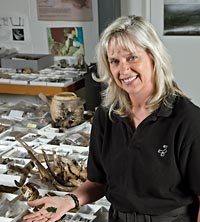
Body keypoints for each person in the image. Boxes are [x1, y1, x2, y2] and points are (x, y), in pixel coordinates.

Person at [23, 15, 200, 222]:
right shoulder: (106, 116)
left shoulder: (188, 120)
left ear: (153, 57)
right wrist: (70, 200)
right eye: (114, 61)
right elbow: (98, 183)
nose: (123, 70)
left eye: (132, 57)